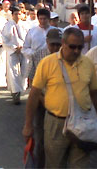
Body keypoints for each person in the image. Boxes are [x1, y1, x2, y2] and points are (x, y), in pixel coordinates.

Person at [22, 27, 97, 168]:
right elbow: (34, 94)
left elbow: (96, 93)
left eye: (80, 47)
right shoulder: (47, 63)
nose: (76, 51)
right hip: (56, 124)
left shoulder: (88, 64)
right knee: (55, 164)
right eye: (72, 47)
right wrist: (28, 125)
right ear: (63, 43)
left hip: (82, 123)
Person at [26, 28, 63, 168]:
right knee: (41, 140)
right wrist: (44, 100)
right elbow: (32, 82)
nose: (55, 48)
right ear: (47, 42)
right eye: (52, 44)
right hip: (42, 103)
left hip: (60, 105)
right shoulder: (38, 56)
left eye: (58, 45)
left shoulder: (66, 57)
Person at [2, 6, 27, 104]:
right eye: (15, 14)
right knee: (14, 72)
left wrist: (23, 47)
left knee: (24, 71)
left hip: (24, 51)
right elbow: (4, 39)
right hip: (13, 51)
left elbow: (29, 38)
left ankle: (22, 89)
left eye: (19, 14)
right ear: (12, 15)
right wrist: (13, 47)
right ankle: (16, 92)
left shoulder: (25, 25)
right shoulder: (8, 25)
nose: (17, 16)